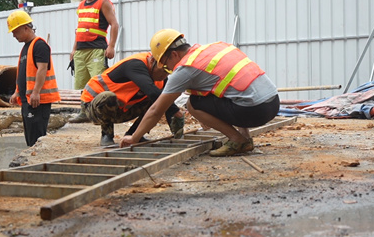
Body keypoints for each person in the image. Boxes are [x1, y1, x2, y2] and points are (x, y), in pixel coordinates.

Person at [120, 29, 280, 156]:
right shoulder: (215, 47)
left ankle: (238, 140)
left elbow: (156, 110)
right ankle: (245, 137)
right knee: (228, 93)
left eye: (166, 64)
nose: (169, 70)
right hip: (273, 103)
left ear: (174, 54)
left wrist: (134, 137)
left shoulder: (186, 68)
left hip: (255, 111)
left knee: (193, 104)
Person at [77, 51, 185, 146]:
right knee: (107, 97)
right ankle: (107, 135)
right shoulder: (135, 64)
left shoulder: (161, 79)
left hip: (120, 109)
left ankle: (134, 134)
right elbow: (153, 93)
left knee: (158, 103)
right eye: (162, 71)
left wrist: (177, 132)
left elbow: (164, 103)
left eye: (167, 72)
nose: (164, 75)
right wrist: (176, 111)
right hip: (92, 105)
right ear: (152, 61)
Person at [69, 0, 119, 122]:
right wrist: (73, 50)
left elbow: (115, 24)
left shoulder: (103, 2)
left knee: (98, 83)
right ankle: (84, 112)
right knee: (81, 84)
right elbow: (80, 30)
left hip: (97, 49)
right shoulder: (81, 6)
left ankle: (101, 113)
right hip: (81, 51)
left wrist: (111, 46)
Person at [7, 10, 61, 147]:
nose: (13, 35)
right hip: (28, 100)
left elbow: (42, 69)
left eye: (15, 31)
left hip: (38, 101)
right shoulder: (26, 47)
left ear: (26, 28)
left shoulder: (40, 46)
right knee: (30, 136)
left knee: (37, 137)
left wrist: (36, 92)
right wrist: (17, 92)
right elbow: (24, 74)